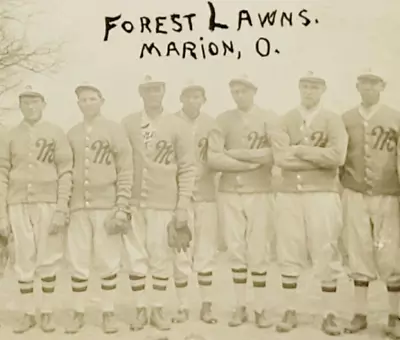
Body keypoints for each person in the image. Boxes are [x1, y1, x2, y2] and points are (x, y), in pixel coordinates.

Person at [270, 71, 348, 336]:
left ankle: (329, 314)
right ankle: (290, 310)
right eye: (305, 86)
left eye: (314, 86)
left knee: (326, 250)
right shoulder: (285, 119)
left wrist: (300, 150)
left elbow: (337, 157)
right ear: (299, 88)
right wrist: (317, 157)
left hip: (323, 194)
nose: (309, 91)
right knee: (289, 250)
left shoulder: (333, 120)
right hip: (290, 194)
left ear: (323, 90)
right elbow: (281, 158)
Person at [122, 75, 196, 331]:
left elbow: (187, 168)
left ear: (164, 91)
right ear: (140, 93)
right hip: (134, 201)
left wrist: (182, 206)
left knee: (160, 256)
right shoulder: (129, 123)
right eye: (147, 90)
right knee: (135, 256)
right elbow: (121, 163)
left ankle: (158, 309)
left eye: (157, 89)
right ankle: (141, 308)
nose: (153, 94)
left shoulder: (178, 125)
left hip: (164, 202)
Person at [207, 75, 276, 328]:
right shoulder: (223, 119)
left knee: (259, 250)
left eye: (244, 91)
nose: (239, 95)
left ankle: (260, 308)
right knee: (236, 250)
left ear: (254, 91)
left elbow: (274, 154)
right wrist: (251, 163)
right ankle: (240, 307)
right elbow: (214, 159)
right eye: (235, 91)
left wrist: (235, 156)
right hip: (230, 192)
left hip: (260, 192)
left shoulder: (269, 117)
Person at [3, 85, 73, 333]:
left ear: (44, 105)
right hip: (18, 202)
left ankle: (46, 313)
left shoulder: (55, 133)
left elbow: (65, 171)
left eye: (35, 102)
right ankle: (27, 313)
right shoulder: (10, 135)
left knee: (48, 257)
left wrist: (61, 207)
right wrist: (2, 212)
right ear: (20, 106)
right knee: (23, 257)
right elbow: (2, 173)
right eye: (25, 103)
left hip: (48, 202)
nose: (30, 107)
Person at [65, 83, 133, 334]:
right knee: (78, 259)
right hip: (79, 206)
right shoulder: (71, 133)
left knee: (108, 260)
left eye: (93, 98)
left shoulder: (114, 130)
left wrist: (122, 205)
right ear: (78, 104)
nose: (88, 103)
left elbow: (126, 169)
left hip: (107, 205)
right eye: (83, 99)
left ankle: (108, 312)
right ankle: (78, 312)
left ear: (102, 101)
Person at [340, 69, 400, 337]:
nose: (368, 87)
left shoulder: (394, 117)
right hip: (355, 192)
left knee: (391, 255)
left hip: (388, 193)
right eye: (363, 83)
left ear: (382, 86)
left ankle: (395, 316)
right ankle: (360, 314)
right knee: (359, 251)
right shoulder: (346, 118)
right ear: (357, 86)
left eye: (373, 83)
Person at [171, 80, 219, 324]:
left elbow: (219, 157)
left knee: (205, 250)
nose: (193, 101)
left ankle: (206, 306)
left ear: (204, 100)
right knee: (181, 251)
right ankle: (182, 306)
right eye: (188, 96)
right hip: (179, 196)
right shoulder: (170, 122)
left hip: (206, 194)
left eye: (197, 97)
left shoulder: (212, 124)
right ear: (181, 99)